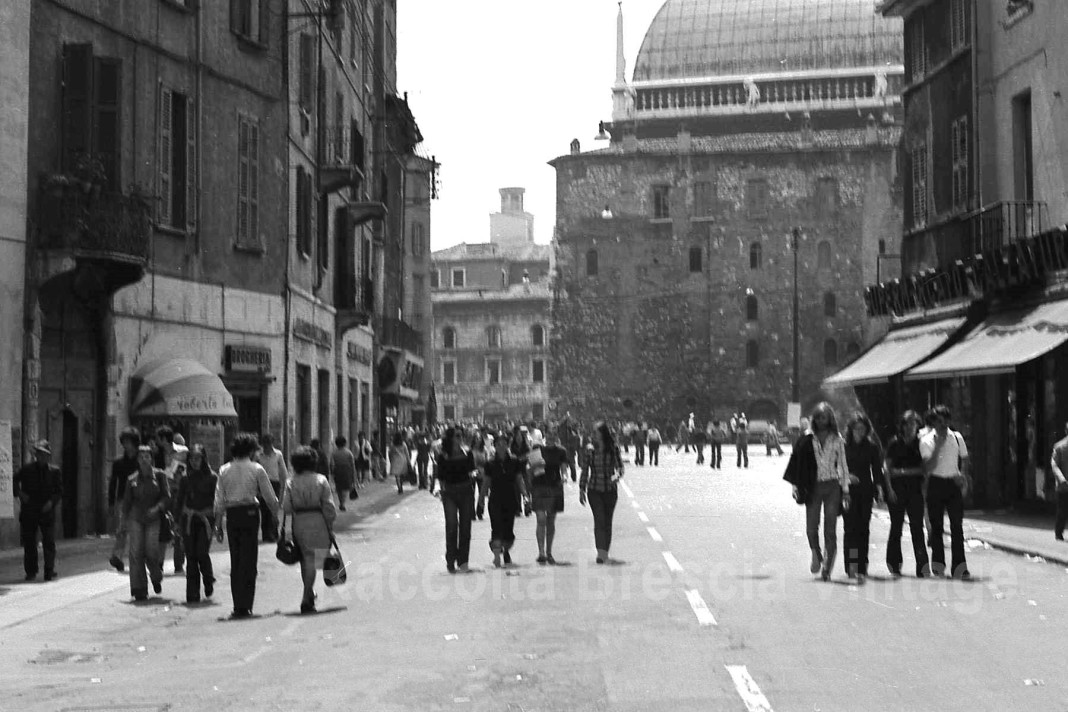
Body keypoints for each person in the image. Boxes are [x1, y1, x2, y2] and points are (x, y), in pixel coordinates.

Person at [214, 433, 280, 619]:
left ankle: (237, 605)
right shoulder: (257, 469)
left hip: (233, 515)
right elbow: (269, 497)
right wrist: (275, 516)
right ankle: (247, 605)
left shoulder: (224, 470)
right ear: (251, 450)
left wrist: (218, 524)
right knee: (249, 560)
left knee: (236, 560)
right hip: (250, 513)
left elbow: (219, 499)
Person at [783, 402, 850, 581]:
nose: (821, 420)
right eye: (818, 417)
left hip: (832, 486)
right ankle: (816, 552)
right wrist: (795, 486)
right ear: (814, 419)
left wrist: (845, 490)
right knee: (811, 527)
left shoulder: (837, 439)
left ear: (830, 419)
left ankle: (827, 567)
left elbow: (843, 465)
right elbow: (796, 464)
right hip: (812, 487)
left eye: (824, 417)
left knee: (830, 528)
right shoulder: (807, 438)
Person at [282, 446, 338, 614]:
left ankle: (309, 594)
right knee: (314, 559)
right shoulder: (321, 480)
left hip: (300, 521)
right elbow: (329, 508)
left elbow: (286, 507)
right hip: (318, 520)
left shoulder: (291, 482)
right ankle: (307, 597)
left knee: (306, 558)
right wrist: (330, 526)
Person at [919, 405, 971, 580]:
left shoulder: (957, 437)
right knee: (937, 526)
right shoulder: (926, 441)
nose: (942, 424)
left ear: (949, 421)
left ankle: (960, 567)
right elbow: (929, 466)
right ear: (933, 422)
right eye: (938, 421)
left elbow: (965, 459)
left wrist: (963, 476)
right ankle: (938, 564)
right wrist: (939, 445)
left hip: (953, 482)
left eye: (944, 420)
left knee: (957, 526)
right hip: (936, 482)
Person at [884, 410, 931, 577]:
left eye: (914, 423)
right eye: (908, 423)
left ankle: (923, 566)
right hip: (897, 490)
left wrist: (903, 471)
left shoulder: (921, 444)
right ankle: (894, 563)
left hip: (915, 489)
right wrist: (888, 489)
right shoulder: (894, 443)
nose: (911, 427)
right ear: (902, 426)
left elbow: (924, 469)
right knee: (896, 526)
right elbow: (887, 469)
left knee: (917, 527)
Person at [123, 445, 170, 600]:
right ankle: (139, 589)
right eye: (141, 456)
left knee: (151, 552)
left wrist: (157, 508)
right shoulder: (131, 480)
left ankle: (156, 577)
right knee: (136, 553)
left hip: (153, 519)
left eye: (147, 456)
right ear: (137, 460)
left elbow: (166, 497)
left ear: (151, 459)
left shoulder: (160, 475)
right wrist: (122, 523)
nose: (144, 459)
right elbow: (127, 503)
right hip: (136, 518)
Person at [13, 440, 63, 582]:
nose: (41, 457)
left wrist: (51, 502)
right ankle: (31, 571)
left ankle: (49, 570)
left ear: (48, 456)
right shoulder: (27, 469)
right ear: (36, 455)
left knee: (48, 541)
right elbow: (14, 481)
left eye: (44, 454)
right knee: (29, 542)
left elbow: (59, 491)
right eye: (39, 454)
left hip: (46, 510)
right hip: (30, 509)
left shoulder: (54, 471)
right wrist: (21, 494)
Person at [175, 444, 218, 603]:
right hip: (189, 519)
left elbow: (217, 500)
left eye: (198, 458)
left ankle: (208, 579)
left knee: (201, 552)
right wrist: (177, 522)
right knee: (191, 556)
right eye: (192, 458)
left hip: (206, 519)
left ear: (203, 459)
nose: (194, 461)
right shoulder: (186, 478)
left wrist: (218, 520)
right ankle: (192, 594)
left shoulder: (212, 477)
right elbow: (179, 501)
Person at [842, 414, 882, 582]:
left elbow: (877, 470)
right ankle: (851, 562)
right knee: (850, 528)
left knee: (863, 528)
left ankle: (862, 564)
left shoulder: (872, 447)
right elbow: (836, 467)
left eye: (863, 428)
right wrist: (847, 477)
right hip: (847, 491)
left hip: (866, 490)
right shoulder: (843, 446)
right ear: (851, 429)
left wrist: (879, 490)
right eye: (857, 428)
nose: (860, 431)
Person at [579, 421, 624, 564]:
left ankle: (605, 551)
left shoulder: (613, 448)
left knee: (607, 522)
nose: (594, 435)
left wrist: (616, 477)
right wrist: (582, 489)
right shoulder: (590, 449)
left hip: (610, 490)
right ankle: (601, 553)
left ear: (603, 433)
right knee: (599, 520)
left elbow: (620, 468)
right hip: (594, 490)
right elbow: (585, 470)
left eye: (596, 432)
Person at [433, 427, 476, 572]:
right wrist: (441, 491)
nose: (460, 438)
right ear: (450, 438)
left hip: (465, 492)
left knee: (465, 527)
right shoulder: (443, 456)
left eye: (461, 436)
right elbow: (441, 476)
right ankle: (450, 559)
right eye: (457, 436)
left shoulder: (467, 453)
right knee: (451, 526)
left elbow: (472, 471)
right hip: (450, 493)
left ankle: (463, 561)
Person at [485, 434, 527, 567]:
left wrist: (525, 495)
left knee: (508, 530)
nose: (501, 446)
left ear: (507, 446)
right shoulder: (490, 463)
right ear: (495, 446)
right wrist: (480, 499)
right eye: (498, 444)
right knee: (496, 528)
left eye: (504, 444)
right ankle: (497, 556)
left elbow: (519, 479)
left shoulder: (514, 462)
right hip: (495, 500)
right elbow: (486, 482)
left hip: (510, 499)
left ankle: (506, 550)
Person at [531, 431, 569, 564]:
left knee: (550, 520)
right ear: (545, 438)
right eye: (549, 437)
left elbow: (564, 469)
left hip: (554, 486)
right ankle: (541, 552)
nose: (551, 439)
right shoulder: (537, 449)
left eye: (554, 437)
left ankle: (549, 552)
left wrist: (564, 477)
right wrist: (536, 464)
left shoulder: (561, 451)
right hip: (539, 486)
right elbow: (531, 468)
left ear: (556, 438)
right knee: (541, 518)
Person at [108, 428, 141, 572]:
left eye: (129, 441)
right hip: (123, 499)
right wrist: (111, 502)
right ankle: (117, 557)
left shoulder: (142, 460)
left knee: (137, 531)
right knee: (122, 529)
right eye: (124, 442)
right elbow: (113, 483)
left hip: (140, 499)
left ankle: (136, 557)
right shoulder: (118, 463)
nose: (126, 445)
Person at [156, 426, 187, 574]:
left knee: (178, 527)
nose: (156, 442)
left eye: (158, 439)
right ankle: (159, 562)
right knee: (162, 527)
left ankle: (178, 563)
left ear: (163, 439)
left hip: (178, 493)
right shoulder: (156, 454)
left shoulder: (183, 452)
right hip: (162, 493)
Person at [257, 433, 289, 541]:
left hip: (274, 483)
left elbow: (283, 471)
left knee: (273, 509)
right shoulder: (258, 455)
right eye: (265, 444)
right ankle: (266, 533)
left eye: (269, 444)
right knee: (264, 509)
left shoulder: (278, 455)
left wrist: (284, 484)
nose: (267, 446)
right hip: (262, 483)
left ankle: (274, 533)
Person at [1051, 421, 1068, 541]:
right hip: (1064, 486)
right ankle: (1058, 533)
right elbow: (1054, 465)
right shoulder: (1060, 447)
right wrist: (1061, 479)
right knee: (1062, 510)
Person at [331, 436, 357, 511]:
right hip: (347, 471)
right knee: (346, 488)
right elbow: (352, 464)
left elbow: (332, 464)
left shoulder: (334, 453)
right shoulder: (348, 452)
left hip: (337, 471)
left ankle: (341, 501)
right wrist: (353, 474)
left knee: (339, 487)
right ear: (345, 443)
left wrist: (333, 473)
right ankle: (343, 503)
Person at [470, 433, 489, 520]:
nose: (478, 440)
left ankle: (480, 512)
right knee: (471, 494)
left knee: (482, 492)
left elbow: (487, 462)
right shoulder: (470, 450)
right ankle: (471, 513)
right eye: (476, 438)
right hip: (472, 473)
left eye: (479, 438)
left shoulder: (484, 450)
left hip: (482, 473)